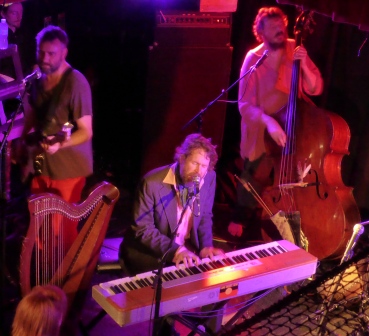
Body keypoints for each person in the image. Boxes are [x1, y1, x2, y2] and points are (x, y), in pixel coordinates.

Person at [227, 7, 323, 238]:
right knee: (256, 173)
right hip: (263, 127)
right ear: (260, 32)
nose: (280, 30)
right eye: (273, 28)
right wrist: (269, 122)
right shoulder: (253, 58)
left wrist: (306, 64)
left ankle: (296, 216)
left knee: (296, 173)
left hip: (294, 126)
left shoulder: (295, 48)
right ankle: (240, 218)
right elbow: (244, 105)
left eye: (281, 25)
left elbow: (316, 88)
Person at [19, 25, 93, 249]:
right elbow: (32, 115)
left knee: (61, 229)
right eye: (41, 52)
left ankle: (65, 281)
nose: (45, 58)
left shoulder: (76, 83)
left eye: (51, 53)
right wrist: (22, 145)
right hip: (42, 163)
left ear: (64, 53)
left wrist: (61, 143)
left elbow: (86, 131)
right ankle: (42, 277)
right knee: (39, 224)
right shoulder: (38, 77)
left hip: (68, 168)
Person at [120, 133, 225, 276]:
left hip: (187, 247)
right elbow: (142, 229)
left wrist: (206, 246)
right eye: (194, 163)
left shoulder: (209, 177)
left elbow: (205, 215)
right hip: (152, 252)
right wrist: (176, 251)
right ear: (182, 158)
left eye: (204, 166)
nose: (198, 172)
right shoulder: (151, 183)